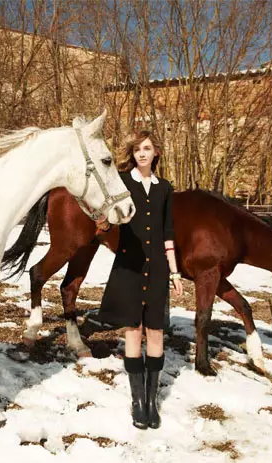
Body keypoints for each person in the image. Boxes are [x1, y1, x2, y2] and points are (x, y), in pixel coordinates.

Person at [95, 130, 183, 430]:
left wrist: (174, 271)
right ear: (132, 154)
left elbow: (168, 232)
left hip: (158, 267)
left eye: (147, 149)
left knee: (156, 333)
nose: (142, 154)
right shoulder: (122, 181)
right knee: (133, 331)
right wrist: (104, 222)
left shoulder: (165, 188)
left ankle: (151, 402)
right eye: (137, 150)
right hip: (129, 265)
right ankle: (137, 403)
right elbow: (108, 215)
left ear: (156, 152)